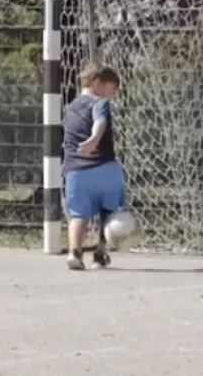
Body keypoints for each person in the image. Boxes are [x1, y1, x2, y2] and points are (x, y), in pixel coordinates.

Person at [61, 64, 128, 270]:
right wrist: (93, 139)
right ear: (98, 83)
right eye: (112, 88)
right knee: (110, 214)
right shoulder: (99, 103)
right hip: (104, 168)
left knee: (78, 216)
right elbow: (100, 122)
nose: (114, 94)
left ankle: (75, 253)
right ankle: (100, 255)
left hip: (75, 172)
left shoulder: (69, 108)